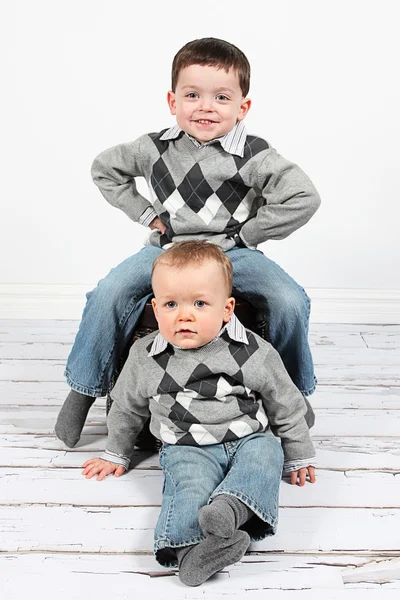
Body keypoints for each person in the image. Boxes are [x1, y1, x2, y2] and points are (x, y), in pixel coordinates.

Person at [56, 37, 321, 448]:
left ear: (242, 107)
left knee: (289, 299)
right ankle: (85, 387)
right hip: (169, 252)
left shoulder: (255, 154)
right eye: (192, 95)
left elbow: (305, 197)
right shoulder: (153, 147)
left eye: (221, 97)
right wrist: (147, 215)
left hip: (231, 252)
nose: (205, 106)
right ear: (172, 99)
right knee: (107, 292)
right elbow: (104, 169)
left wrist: (247, 234)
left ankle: (292, 392)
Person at [82, 241, 316, 587]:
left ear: (227, 309)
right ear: (156, 308)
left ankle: (228, 511)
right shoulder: (146, 357)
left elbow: (285, 400)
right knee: (187, 489)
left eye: (200, 303)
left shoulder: (251, 351)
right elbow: (126, 406)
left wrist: (298, 452)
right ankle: (190, 555)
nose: (184, 315)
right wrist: (116, 451)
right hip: (185, 444)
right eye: (171, 304)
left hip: (247, 436)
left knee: (265, 457)